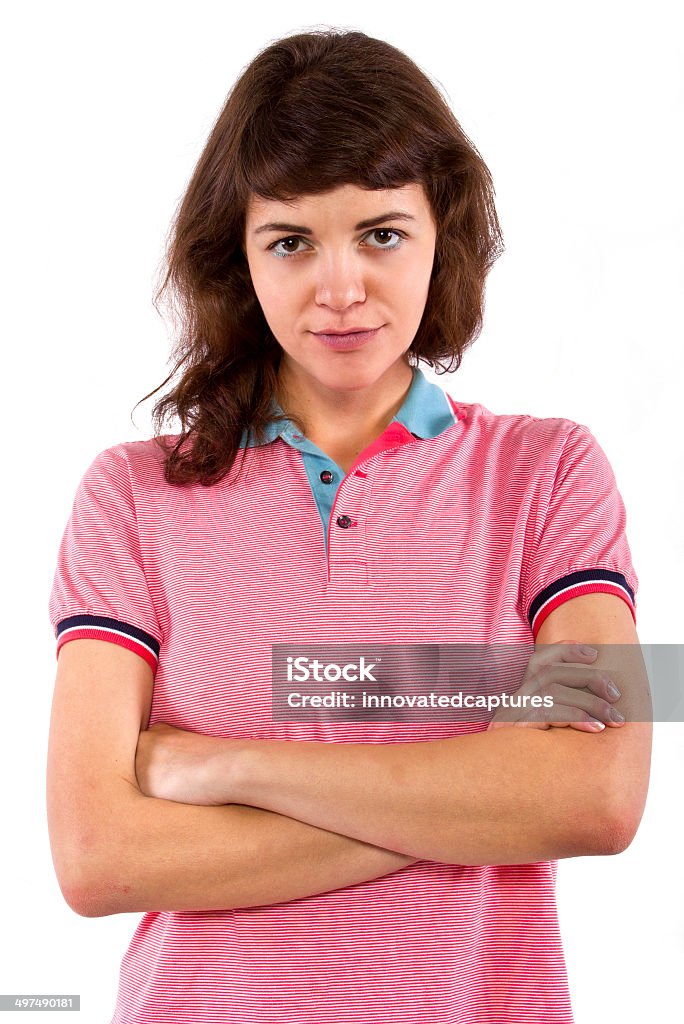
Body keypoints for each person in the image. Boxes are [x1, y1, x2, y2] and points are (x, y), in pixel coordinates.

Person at [46, 27, 652, 1024]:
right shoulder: (128, 498)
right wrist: (480, 802)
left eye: (381, 233)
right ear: (238, 257)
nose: (339, 289)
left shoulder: (553, 473)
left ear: (440, 232)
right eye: (290, 241)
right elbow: (95, 857)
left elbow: (600, 798)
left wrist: (226, 768)